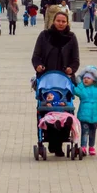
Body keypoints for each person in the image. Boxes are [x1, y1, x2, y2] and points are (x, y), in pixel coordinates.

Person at [31, 11, 80, 156]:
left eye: (63, 21)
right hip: (46, 80)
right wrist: (38, 66)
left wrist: (72, 69)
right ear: (53, 21)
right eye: (58, 21)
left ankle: (59, 143)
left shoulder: (71, 38)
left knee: (64, 111)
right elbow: (36, 56)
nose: (60, 23)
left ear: (67, 23)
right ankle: (51, 141)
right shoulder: (44, 36)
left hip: (64, 80)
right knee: (46, 110)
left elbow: (76, 59)